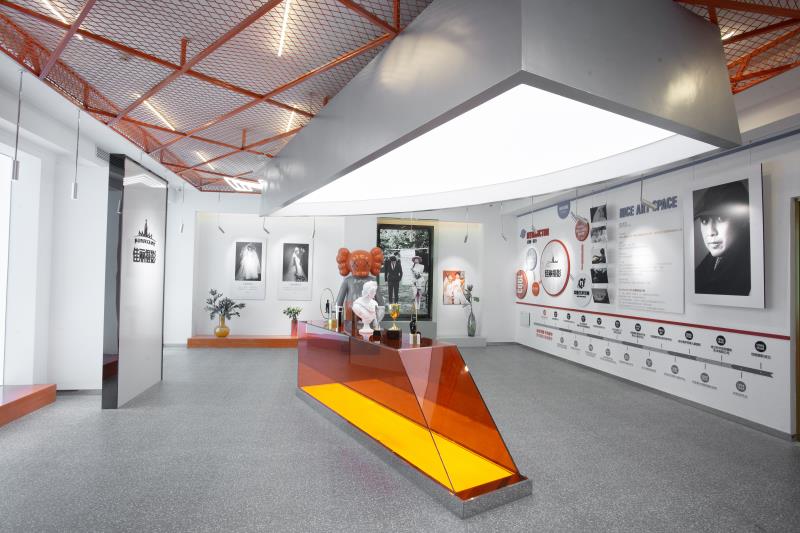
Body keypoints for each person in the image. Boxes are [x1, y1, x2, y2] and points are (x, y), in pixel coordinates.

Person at [694, 180, 751, 296]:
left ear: (743, 221)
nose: (711, 232)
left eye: (720, 219)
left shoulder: (751, 266)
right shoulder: (710, 262)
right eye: (704, 221)